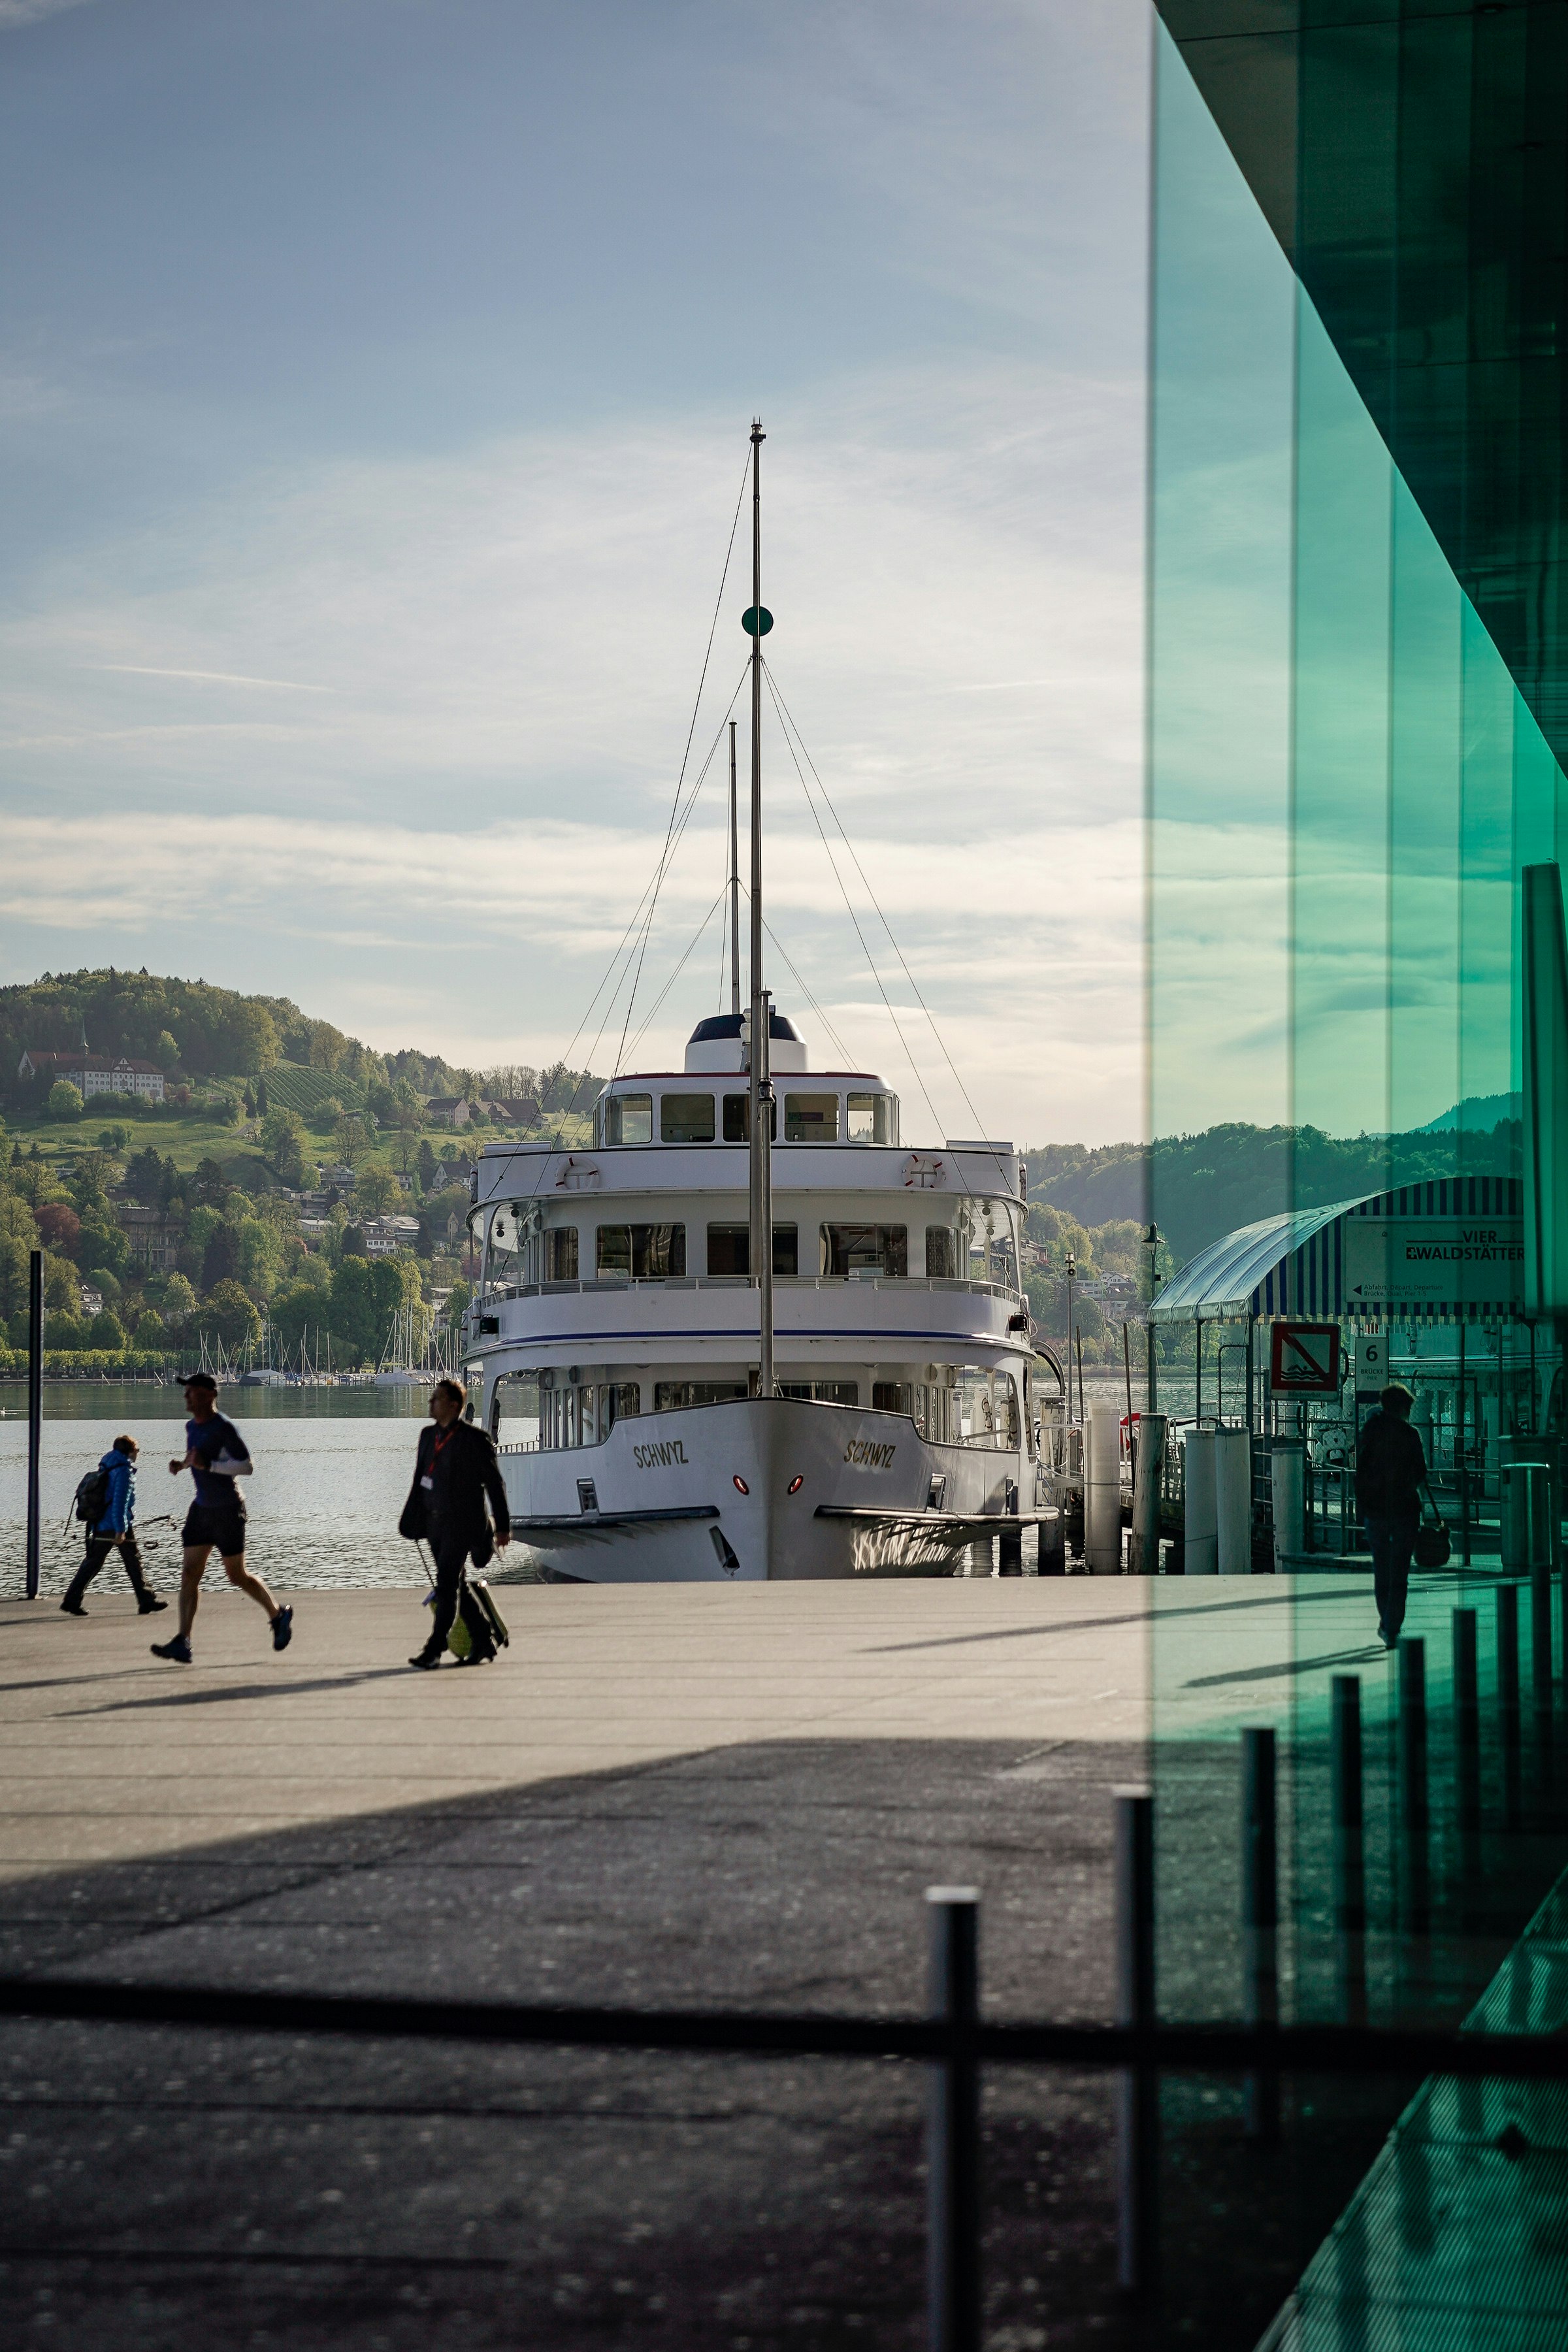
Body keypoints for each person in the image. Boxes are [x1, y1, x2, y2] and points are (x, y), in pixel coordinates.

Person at [150, 1373, 293, 1666]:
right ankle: (183, 1641)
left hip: (228, 1510)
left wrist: (210, 1466)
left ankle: (278, 1615)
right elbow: (197, 1456)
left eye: (191, 1392)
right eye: (186, 1392)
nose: (185, 1397)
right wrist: (184, 1464)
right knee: (190, 1574)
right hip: (201, 1510)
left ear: (209, 1396)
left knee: (236, 1575)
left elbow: (246, 1466)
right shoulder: (191, 1427)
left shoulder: (224, 1427)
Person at [400, 1377, 511, 1669]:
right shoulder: (427, 1436)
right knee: (456, 1585)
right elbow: (419, 1479)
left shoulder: (474, 1440)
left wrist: (502, 1527)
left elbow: (495, 1485)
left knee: (447, 1586)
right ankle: (483, 1642)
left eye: (436, 1399)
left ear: (453, 1405)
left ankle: (434, 1649)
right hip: (434, 1524)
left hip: (463, 1525)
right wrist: (412, 1518)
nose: (430, 1403)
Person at [59, 1435, 167, 1618]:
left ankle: (146, 1600)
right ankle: (71, 1600)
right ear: (131, 1451)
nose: (138, 1454)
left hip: (102, 1521)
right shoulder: (124, 1472)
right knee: (99, 1562)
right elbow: (119, 1503)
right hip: (115, 1524)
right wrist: (120, 1530)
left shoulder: (107, 1464)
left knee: (128, 1561)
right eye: (137, 1451)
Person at [1356, 1382, 1428, 1648]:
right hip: (1404, 1511)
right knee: (1399, 1573)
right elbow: (1421, 1472)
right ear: (1403, 1407)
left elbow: (1360, 1472)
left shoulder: (1371, 1432)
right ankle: (1391, 1626)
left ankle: (1387, 1622)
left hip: (1375, 1512)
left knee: (1382, 1570)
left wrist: (1360, 1507)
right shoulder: (1410, 1435)